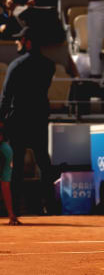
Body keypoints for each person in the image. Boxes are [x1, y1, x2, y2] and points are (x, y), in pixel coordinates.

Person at [0, 27, 57, 216]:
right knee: (43, 162)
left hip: (18, 121)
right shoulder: (49, 65)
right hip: (39, 119)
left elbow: (6, 96)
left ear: (28, 42)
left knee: (16, 165)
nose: (17, 42)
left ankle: (15, 209)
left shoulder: (16, 65)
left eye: (20, 39)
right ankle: (50, 205)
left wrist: (1, 120)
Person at [0, 121, 20, 225]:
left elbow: (5, 186)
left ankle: (11, 214)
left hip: (4, 153)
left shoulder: (6, 152)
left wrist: (11, 214)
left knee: (5, 185)